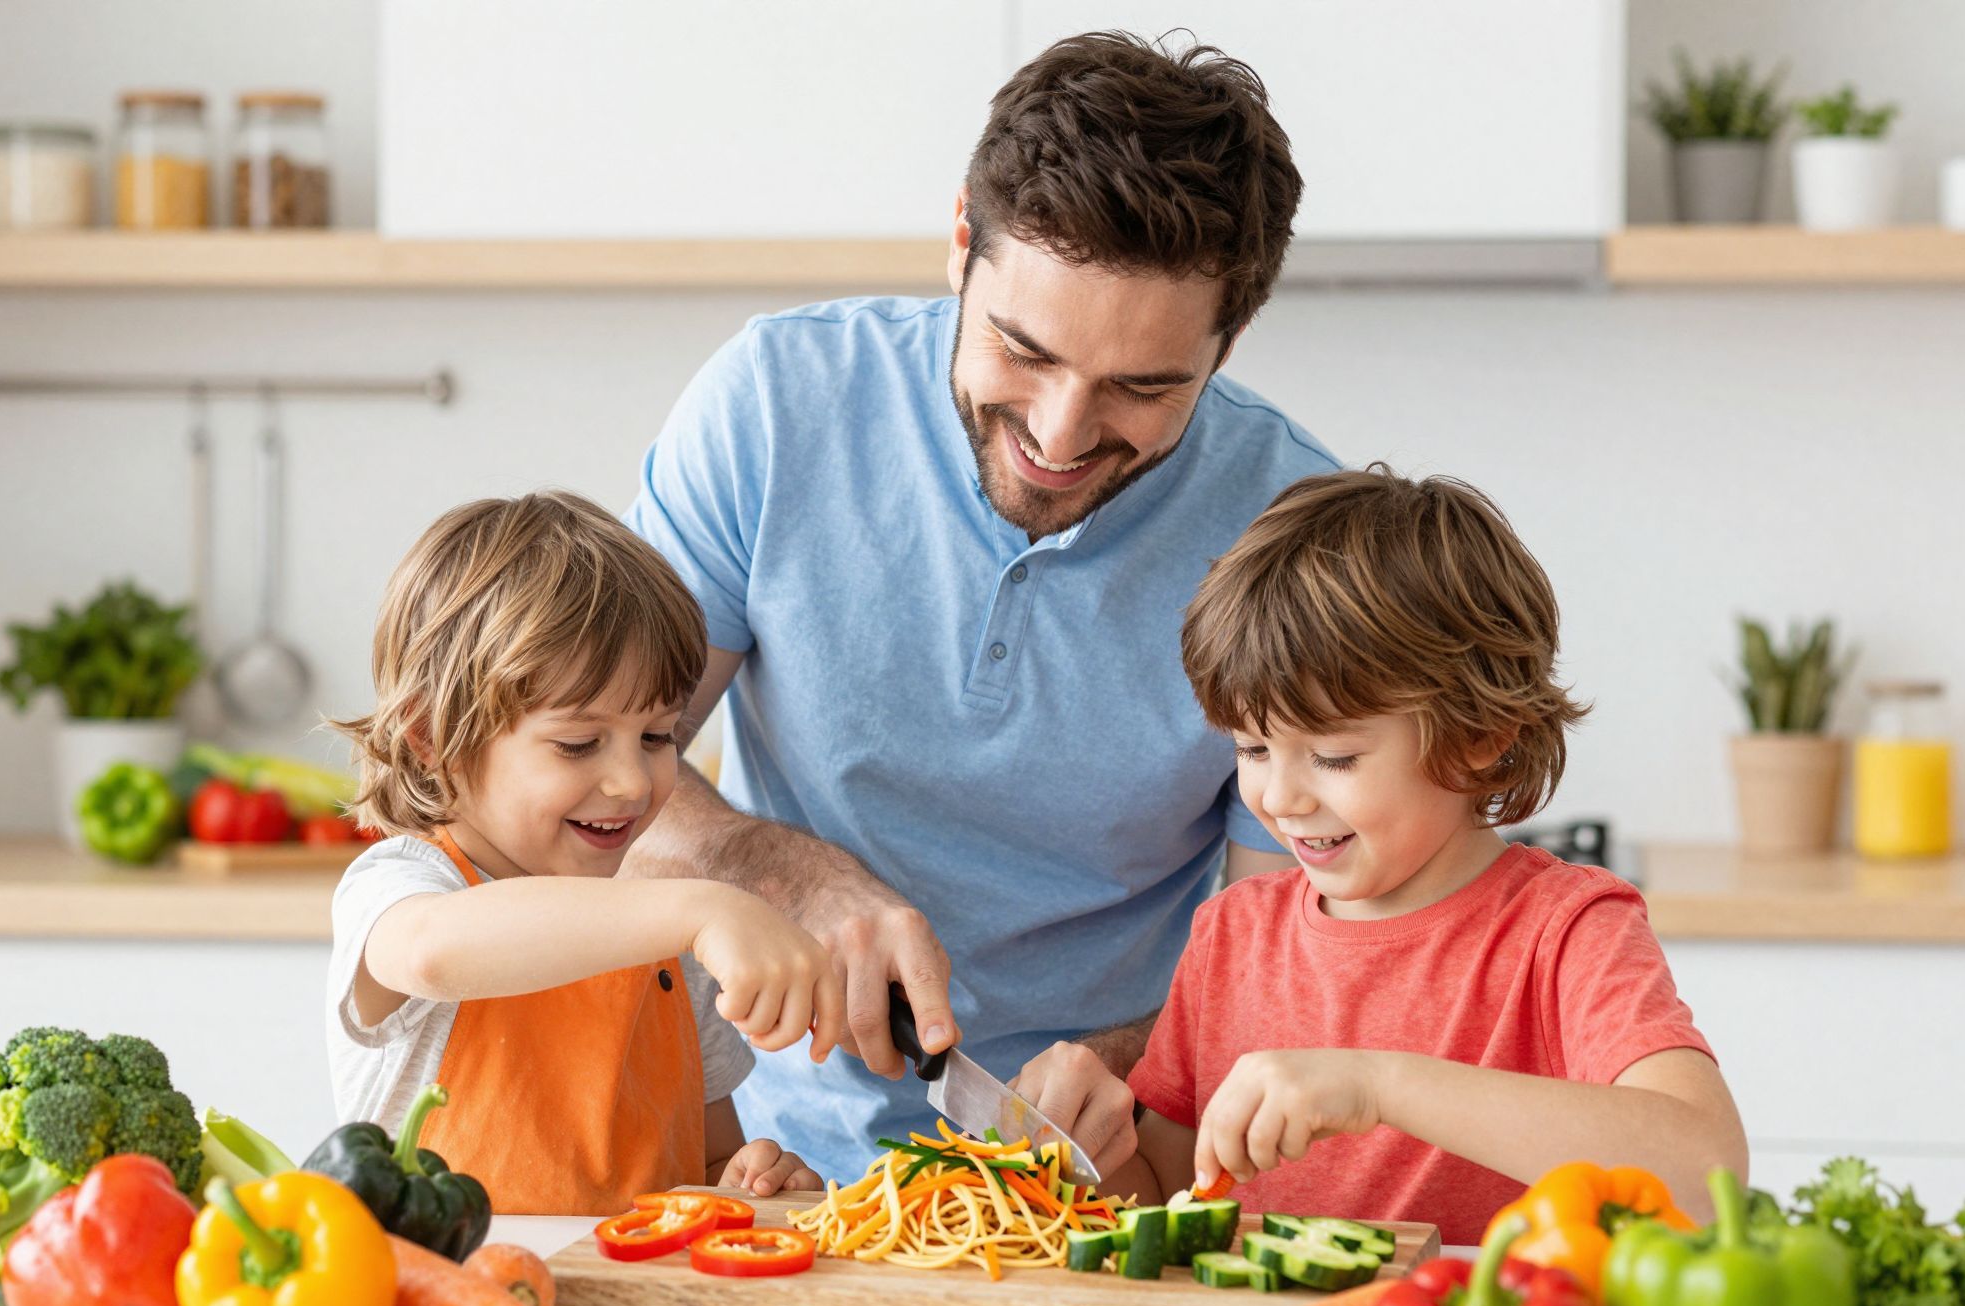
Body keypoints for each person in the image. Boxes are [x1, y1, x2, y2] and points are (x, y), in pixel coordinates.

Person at [626, 31, 1335, 1181]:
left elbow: (1292, 957)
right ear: (960, 242)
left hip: (1094, 1186)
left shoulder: (1293, 534)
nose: (1059, 436)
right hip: (749, 1167)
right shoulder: (771, 406)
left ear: (1229, 340)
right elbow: (593, 799)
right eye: (1022, 349)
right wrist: (781, 870)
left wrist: (1134, 1066)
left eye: (1141, 388)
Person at [1072, 467, 1747, 1241]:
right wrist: (1078, 1153)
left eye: (1333, 757)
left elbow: (1705, 1171)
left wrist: (1377, 1083)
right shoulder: (1231, 936)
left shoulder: (1565, 931)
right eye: (1253, 747)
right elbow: (1170, 1192)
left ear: (1478, 738)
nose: (1281, 798)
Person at [326, 491, 846, 1213]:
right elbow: (430, 955)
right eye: (578, 743)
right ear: (433, 738)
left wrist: (750, 1181)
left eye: (659, 737)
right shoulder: (404, 885)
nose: (632, 781)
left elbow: (708, 1159)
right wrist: (701, 904)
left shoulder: (667, 940)